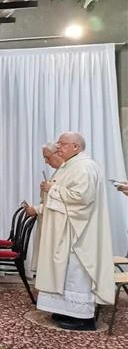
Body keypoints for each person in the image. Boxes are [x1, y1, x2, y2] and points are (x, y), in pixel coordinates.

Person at [30, 132, 114, 331]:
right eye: (58, 143)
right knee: (64, 271)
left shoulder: (85, 166)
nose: (58, 147)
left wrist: (53, 189)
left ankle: (82, 318)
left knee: (75, 272)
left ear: (76, 147)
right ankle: (65, 310)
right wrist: (51, 189)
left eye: (62, 143)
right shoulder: (71, 165)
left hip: (77, 232)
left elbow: (82, 198)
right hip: (64, 228)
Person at [24, 142, 65, 275]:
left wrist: (36, 209)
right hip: (48, 222)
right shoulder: (58, 173)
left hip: (58, 226)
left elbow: (65, 202)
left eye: (48, 158)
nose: (46, 162)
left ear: (58, 153)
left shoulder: (69, 173)